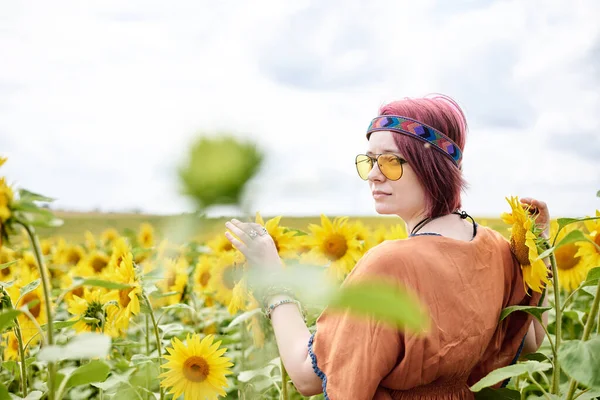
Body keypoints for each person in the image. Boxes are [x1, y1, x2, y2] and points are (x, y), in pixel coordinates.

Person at [224, 94, 550, 399]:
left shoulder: (390, 265)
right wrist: (540, 246)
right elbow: (532, 339)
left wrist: (272, 277)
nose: (374, 175)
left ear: (434, 167)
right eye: (369, 161)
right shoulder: (495, 247)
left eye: (391, 161)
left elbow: (307, 377)